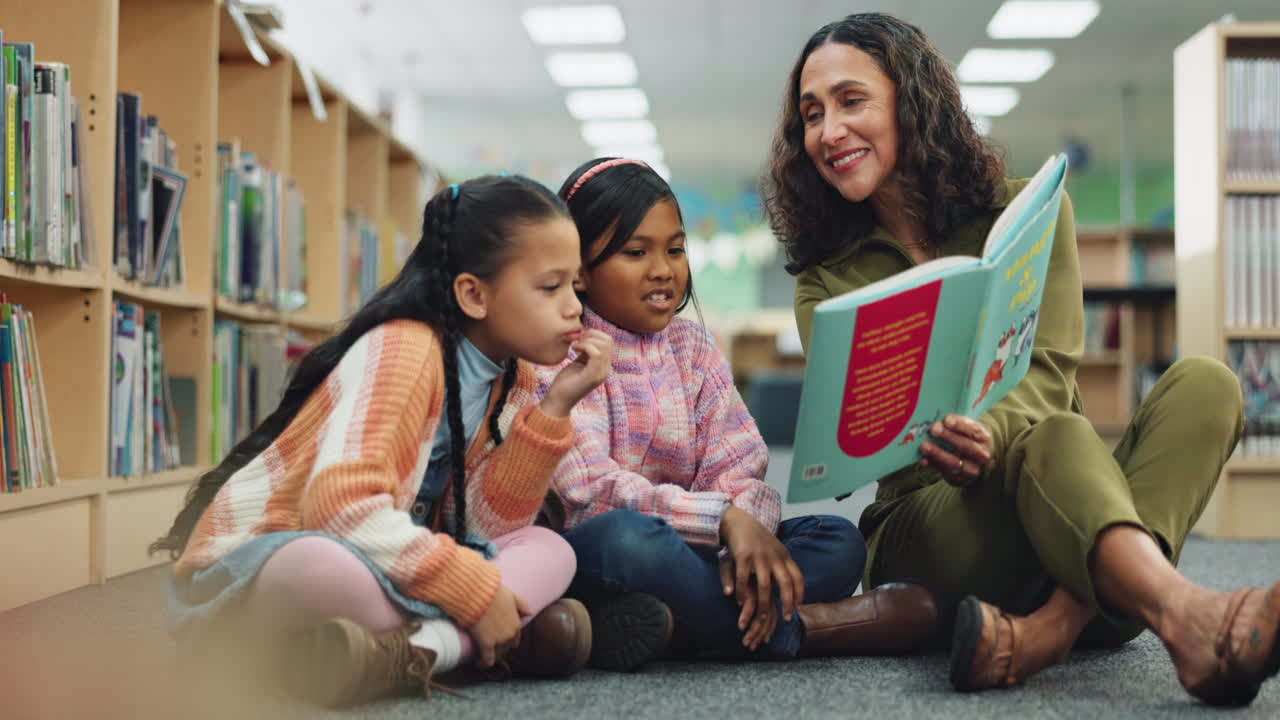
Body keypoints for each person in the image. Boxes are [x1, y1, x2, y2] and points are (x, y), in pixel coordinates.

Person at [763, 12, 1278, 706]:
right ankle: (1185, 611)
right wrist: (941, 441)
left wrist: (993, 433)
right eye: (812, 114)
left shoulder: (1027, 210)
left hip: (1058, 499)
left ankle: (1051, 629)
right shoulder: (824, 276)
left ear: (911, 102)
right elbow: (859, 435)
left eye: (851, 101)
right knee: (1060, 434)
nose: (828, 131)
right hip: (931, 527)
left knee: (1208, 384)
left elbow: (1052, 365)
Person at [150, 175, 613, 708]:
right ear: (474, 294)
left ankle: (415, 649)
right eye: (550, 287)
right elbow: (338, 511)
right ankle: (499, 639)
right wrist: (477, 594)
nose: (575, 308)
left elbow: (481, 528)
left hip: (393, 560)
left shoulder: (519, 379)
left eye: (575, 287)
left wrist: (556, 409)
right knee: (320, 568)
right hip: (265, 563)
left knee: (552, 549)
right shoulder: (406, 352)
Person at [536, 157, 940, 672]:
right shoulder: (556, 355)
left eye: (676, 249)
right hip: (608, 552)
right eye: (636, 252)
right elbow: (588, 494)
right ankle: (812, 629)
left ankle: (673, 625)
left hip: (706, 556)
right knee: (627, 540)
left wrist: (744, 534)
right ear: (580, 272)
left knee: (836, 541)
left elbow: (741, 464)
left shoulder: (693, 346)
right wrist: (723, 521)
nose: (663, 269)